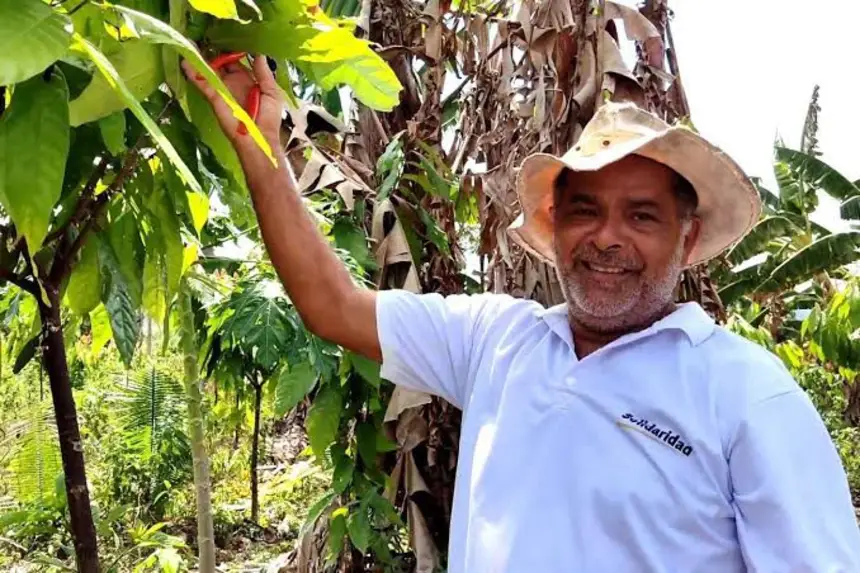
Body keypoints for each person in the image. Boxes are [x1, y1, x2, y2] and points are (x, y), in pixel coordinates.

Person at [183, 56, 860, 572]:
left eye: (643, 215)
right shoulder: (497, 341)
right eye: (585, 209)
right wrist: (261, 146)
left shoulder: (745, 392)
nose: (607, 237)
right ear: (553, 223)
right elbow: (333, 306)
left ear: (687, 239)